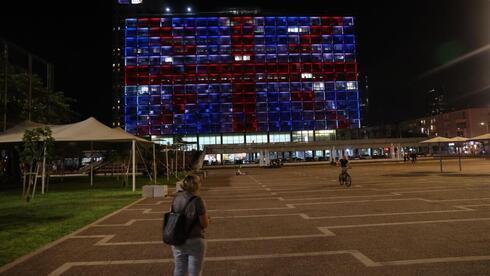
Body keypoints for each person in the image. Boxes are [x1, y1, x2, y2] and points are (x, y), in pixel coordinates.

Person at [170, 174, 209, 276]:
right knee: (194, 272)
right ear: (196, 185)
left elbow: (172, 216)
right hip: (195, 239)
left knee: (179, 270)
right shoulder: (198, 201)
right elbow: (204, 224)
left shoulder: (176, 199)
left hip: (178, 239)